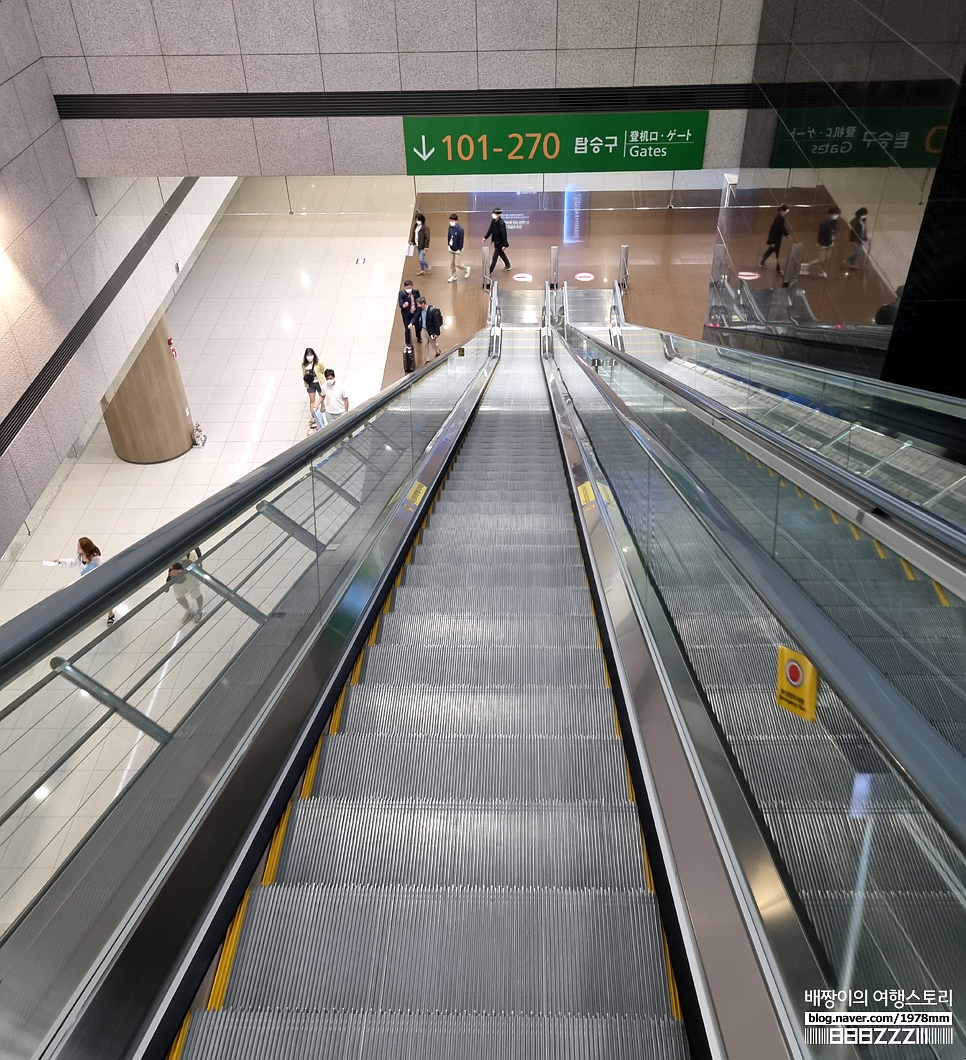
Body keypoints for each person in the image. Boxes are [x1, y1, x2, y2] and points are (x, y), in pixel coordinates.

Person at [49, 537, 115, 625]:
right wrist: (60, 561)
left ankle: (110, 614)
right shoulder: (79, 558)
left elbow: (104, 569)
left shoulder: (96, 559)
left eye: (79, 547)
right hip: (86, 582)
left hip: (97, 582)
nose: (78, 549)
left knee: (106, 598)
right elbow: (72, 562)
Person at [166, 556, 204, 625]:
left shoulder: (190, 553)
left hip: (190, 577)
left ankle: (200, 610)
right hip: (177, 579)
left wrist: (180, 571)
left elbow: (195, 565)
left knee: (196, 594)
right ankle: (189, 610)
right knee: (179, 597)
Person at [804, 207, 840, 278]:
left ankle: (822, 270)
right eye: (835, 214)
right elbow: (821, 234)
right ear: (830, 214)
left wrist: (832, 240)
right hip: (823, 244)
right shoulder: (824, 224)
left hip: (830, 243)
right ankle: (817, 267)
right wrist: (820, 243)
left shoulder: (835, 223)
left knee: (827, 258)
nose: (837, 216)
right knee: (822, 260)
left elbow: (833, 232)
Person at [759, 203, 790, 275]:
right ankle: (778, 270)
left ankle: (762, 261)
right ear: (782, 211)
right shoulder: (779, 219)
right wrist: (771, 242)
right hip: (776, 240)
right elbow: (773, 231)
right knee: (777, 254)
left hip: (776, 240)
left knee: (771, 250)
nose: (786, 212)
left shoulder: (781, 218)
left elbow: (782, 228)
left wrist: (787, 234)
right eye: (785, 211)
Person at [482, 207, 511, 274]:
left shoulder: (501, 223)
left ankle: (489, 272)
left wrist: (505, 245)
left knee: (494, 258)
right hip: (496, 241)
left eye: (495, 213)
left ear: (499, 215)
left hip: (500, 243)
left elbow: (504, 234)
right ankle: (508, 265)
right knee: (501, 254)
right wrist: (485, 237)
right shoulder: (493, 221)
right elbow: (490, 230)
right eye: (493, 213)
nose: (493, 215)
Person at [301, 348, 324, 430]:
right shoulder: (304, 364)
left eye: (311, 355)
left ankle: (323, 405)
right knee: (312, 400)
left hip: (318, 382)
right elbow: (304, 373)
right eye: (308, 355)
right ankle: (314, 416)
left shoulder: (318, 363)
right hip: (310, 384)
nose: (309, 357)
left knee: (321, 395)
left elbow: (322, 371)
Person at [398, 279, 422, 351]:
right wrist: (403, 305)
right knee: (407, 329)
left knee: (418, 326)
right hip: (406, 315)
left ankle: (419, 337)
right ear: (404, 288)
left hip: (415, 312)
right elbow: (400, 303)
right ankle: (408, 342)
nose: (409, 289)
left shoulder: (416, 292)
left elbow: (419, 300)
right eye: (407, 288)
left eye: (410, 288)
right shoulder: (402, 293)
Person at [447, 213, 470, 282]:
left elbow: (461, 240)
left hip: (457, 249)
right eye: (450, 220)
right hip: (451, 248)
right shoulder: (450, 227)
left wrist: (459, 248)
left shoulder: (460, 230)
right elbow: (448, 236)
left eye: (453, 221)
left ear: (456, 221)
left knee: (457, 264)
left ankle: (466, 269)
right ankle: (454, 276)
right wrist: (448, 244)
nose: (451, 222)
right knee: (451, 264)